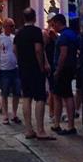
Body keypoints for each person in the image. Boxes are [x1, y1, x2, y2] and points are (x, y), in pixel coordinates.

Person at [14, 7, 54, 141]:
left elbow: (15, 50)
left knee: (26, 97)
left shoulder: (19, 33)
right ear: (35, 18)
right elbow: (38, 50)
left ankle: (29, 130)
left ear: (24, 18)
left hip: (23, 68)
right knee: (40, 98)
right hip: (35, 69)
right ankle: (41, 130)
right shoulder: (37, 31)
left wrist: (21, 61)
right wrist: (41, 65)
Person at [50, 13, 79, 135]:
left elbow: (63, 54)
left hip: (63, 70)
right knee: (61, 95)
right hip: (71, 68)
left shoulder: (63, 37)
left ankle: (69, 126)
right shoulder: (72, 34)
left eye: (53, 24)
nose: (53, 27)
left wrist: (58, 70)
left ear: (58, 23)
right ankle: (58, 124)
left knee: (64, 96)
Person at [0, 18, 21, 125]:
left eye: (13, 25)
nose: (13, 27)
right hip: (4, 69)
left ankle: (14, 114)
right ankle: (5, 115)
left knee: (16, 92)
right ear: (5, 26)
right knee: (5, 93)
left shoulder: (15, 38)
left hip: (15, 68)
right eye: (11, 26)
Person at [43, 17, 57, 123]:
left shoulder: (56, 34)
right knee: (52, 89)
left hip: (54, 63)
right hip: (50, 64)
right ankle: (52, 112)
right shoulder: (46, 34)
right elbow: (43, 49)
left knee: (54, 89)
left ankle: (54, 112)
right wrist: (46, 63)